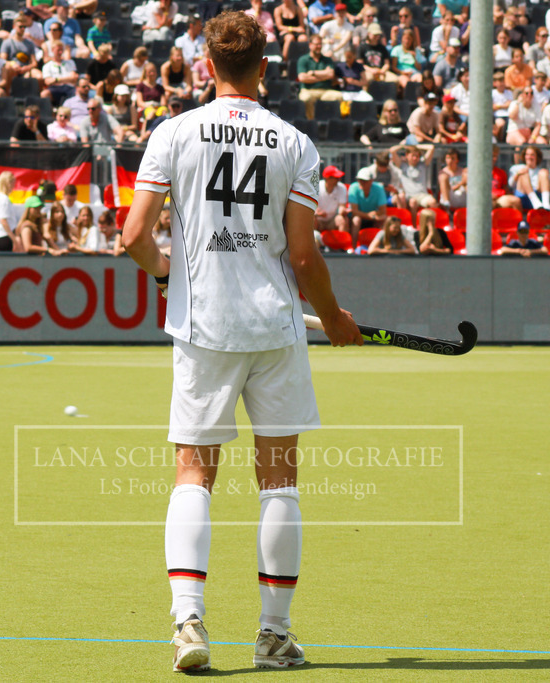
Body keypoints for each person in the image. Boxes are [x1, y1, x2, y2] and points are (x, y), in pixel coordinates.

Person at [121, 11, 361, 674]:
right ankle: (273, 635)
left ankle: (188, 624)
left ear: (208, 64)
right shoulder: (294, 143)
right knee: (278, 479)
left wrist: (166, 275)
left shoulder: (174, 133)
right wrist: (334, 318)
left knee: (193, 474)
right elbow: (304, 257)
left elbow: (134, 236)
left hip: (204, 328)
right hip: (276, 327)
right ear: (264, 67)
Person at [315, 164, 348, 234]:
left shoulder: (342, 187)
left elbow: (342, 206)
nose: (339, 179)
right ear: (327, 178)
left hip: (332, 220)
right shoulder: (316, 187)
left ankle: (342, 240)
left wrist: (343, 211)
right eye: (336, 177)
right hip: (318, 220)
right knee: (311, 219)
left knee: (342, 220)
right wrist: (317, 213)